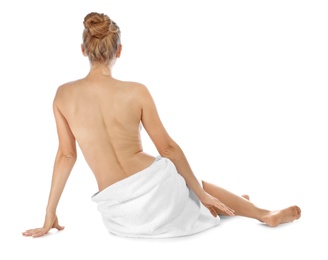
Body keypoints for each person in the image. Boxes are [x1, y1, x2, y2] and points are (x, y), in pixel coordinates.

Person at [22, 12, 301, 239]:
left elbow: (67, 155)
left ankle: (217, 201)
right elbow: (167, 148)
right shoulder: (136, 91)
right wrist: (201, 191)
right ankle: (262, 213)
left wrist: (50, 213)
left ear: (83, 50)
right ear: (119, 50)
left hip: (121, 216)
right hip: (162, 196)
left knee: (191, 188)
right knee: (193, 184)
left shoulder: (63, 95)